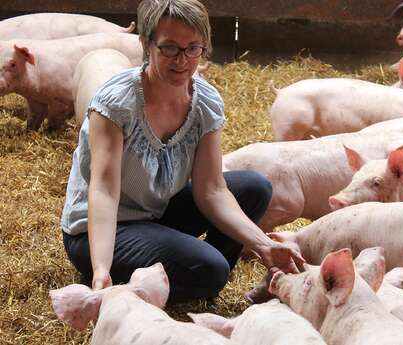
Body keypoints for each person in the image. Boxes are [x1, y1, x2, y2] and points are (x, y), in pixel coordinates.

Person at [60, 0, 304, 303]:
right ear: (146, 44)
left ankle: (200, 275)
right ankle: (151, 282)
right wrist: (100, 268)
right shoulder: (117, 104)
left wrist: (263, 244)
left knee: (255, 188)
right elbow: (104, 192)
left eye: (193, 48)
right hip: (100, 230)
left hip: (155, 211)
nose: (182, 60)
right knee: (208, 268)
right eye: (170, 48)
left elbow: (212, 190)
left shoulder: (204, 103)